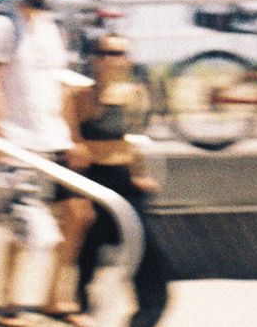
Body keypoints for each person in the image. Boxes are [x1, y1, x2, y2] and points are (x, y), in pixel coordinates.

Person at [0, 0, 94, 327]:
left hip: (54, 137)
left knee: (78, 214)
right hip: (18, 140)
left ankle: (54, 298)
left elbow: (61, 88)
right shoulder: (0, 25)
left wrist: (73, 138)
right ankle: (7, 302)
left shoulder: (52, 27)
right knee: (22, 227)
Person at [74, 33, 169, 327]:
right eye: (104, 53)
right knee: (88, 247)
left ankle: (147, 313)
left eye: (118, 53)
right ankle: (79, 305)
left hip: (123, 176)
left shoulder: (136, 95)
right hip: (92, 177)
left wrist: (140, 174)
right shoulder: (81, 96)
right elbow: (74, 143)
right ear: (94, 59)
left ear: (128, 60)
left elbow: (135, 139)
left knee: (144, 245)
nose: (111, 60)